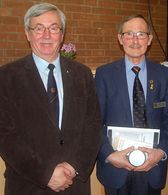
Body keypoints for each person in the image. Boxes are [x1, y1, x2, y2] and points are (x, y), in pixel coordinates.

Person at [0, 3, 102, 195]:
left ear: (62, 35)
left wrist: (73, 167)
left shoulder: (82, 74)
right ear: (27, 34)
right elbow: (5, 135)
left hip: (74, 185)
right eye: (39, 28)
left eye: (53, 28)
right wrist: (46, 173)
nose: (46, 35)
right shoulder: (6, 77)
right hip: (28, 184)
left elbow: (93, 125)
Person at [95, 14, 168, 195]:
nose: (135, 40)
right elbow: (94, 122)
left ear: (149, 39)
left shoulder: (164, 75)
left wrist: (162, 152)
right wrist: (108, 154)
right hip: (116, 168)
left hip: (152, 166)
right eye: (129, 34)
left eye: (141, 34)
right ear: (120, 38)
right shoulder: (104, 75)